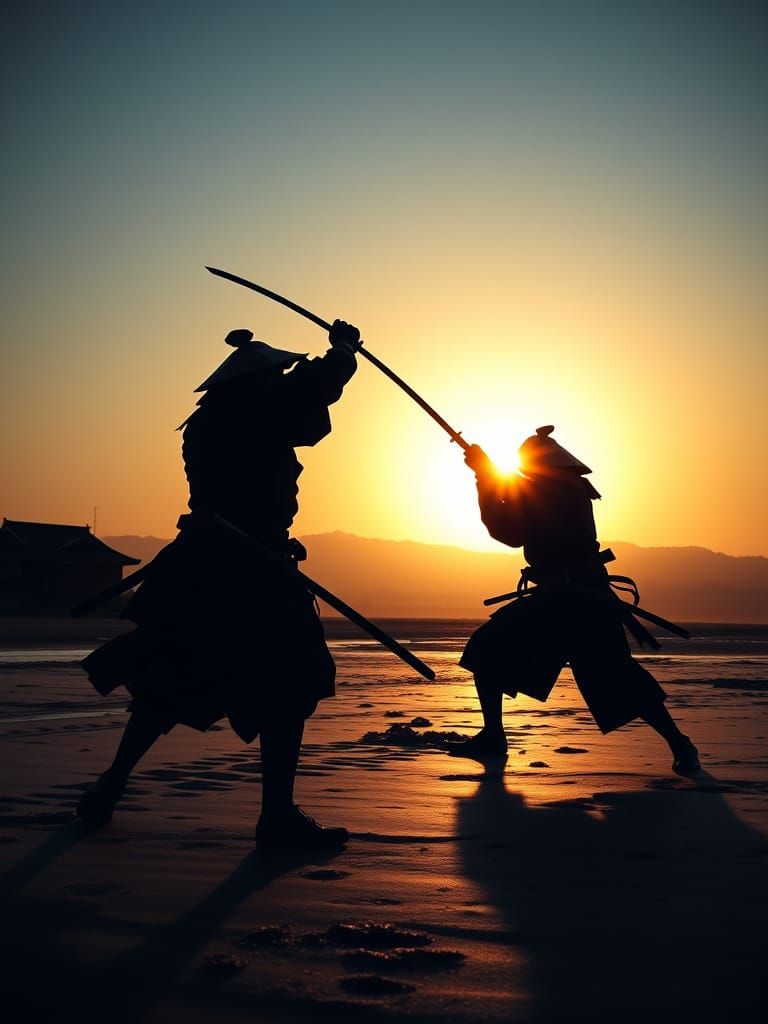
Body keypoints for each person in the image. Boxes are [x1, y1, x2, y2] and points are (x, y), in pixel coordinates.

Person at [76, 320, 360, 849]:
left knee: (168, 678)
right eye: (276, 372)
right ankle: (276, 818)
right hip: (246, 569)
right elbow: (312, 392)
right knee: (289, 679)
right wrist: (342, 350)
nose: (282, 378)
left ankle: (108, 789)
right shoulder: (252, 410)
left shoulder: (212, 419)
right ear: (259, 380)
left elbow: (303, 409)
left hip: (203, 563)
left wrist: (324, 365)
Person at [449, 425, 701, 775]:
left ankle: (680, 743)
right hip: (575, 597)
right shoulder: (565, 487)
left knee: (614, 675)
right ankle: (680, 744)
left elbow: (508, 530)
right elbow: (515, 509)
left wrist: (484, 475)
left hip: (573, 600)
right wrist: (486, 473)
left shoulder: (552, 490)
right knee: (489, 650)